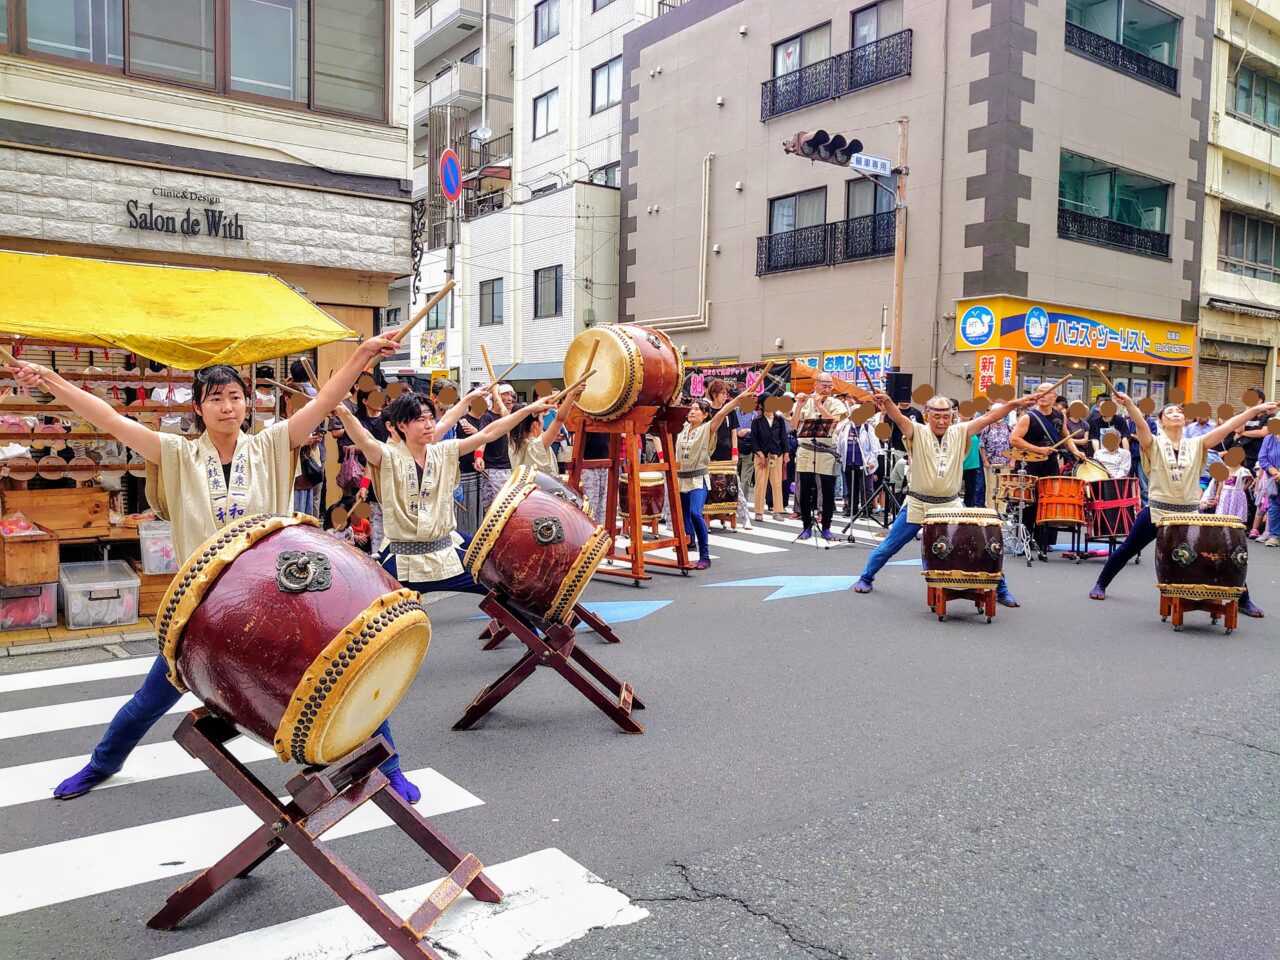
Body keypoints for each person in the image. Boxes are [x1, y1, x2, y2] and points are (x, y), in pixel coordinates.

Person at [8, 339, 434, 803]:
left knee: (343, 664)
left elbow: (327, 398)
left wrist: (361, 356)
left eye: (234, 396)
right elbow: (109, 419)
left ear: (247, 404)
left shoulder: (273, 444)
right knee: (149, 701)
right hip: (207, 609)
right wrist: (51, 380)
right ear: (198, 407)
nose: (227, 406)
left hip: (278, 598)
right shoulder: (176, 454)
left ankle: (391, 768)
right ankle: (100, 764)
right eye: (215, 398)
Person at [334, 388, 554, 599]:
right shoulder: (387, 456)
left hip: (445, 554)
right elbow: (362, 438)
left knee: (501, 586)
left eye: (431, 418)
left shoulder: (443, 451)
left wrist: (527, 409)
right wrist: (342, 410)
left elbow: (488, 432)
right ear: (400, 425)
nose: (430, 425)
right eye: (421, 420)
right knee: (382, 617)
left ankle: (539, 630)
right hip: (402, 561)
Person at [1087, 393, 1277, 614]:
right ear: (1161, 422)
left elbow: (1226, 429)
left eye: (1179, 412)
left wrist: (1253, 412)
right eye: (1169, 412)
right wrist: (1129, 404)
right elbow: (1140, 424)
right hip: (1158, 510)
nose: (1176, 414)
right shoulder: (1153, 443)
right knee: (1128, 548)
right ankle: (1101, 583)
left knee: (1218, 551)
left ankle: (1243, 599)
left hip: (1189, 513)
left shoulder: (1197, 443)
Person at [854, 391, 1036, 604]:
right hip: (918, 502)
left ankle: (1001, 590)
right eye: (936, 416)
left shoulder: (961, 431)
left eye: (946, 417)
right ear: (927, 415)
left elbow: (989, 418)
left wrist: (1014, 403)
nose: (941, 421)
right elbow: (899, 418)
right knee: (890, 545)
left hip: (950, 503)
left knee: (978, 543)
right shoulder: (917, 431)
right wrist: (886, 402)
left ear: (953, 416)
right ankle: (866, 577)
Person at [1009, 384, 1086, 560]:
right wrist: (1038, 449)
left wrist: (1075, 451)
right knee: (1029, 503)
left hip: (1050, 463)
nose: (1042, 396)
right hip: (1030, 463)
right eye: (1039, 392)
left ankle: (1044, 540)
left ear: (1055, 396)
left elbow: (1066, 436)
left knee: (1048, 501)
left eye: (1047, 393)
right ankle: (1026, 540)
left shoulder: (1060, 416)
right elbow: (1014, 439)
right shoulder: (1028, 417)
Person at [677, 391, 750, 569]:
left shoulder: (707, 429)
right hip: (681, 478)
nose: (692, 411)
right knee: (684, 515)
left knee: (695, 512)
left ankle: (705, 555)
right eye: (691, 408)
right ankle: (689, 542)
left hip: (698, 478)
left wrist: (738, 400)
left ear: (705, 415)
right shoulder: (682, 429)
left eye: (697, 409)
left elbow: (721, 413)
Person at [788, 373, 848, 540]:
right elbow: (793, 425)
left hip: (826, 451)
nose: (827, 389)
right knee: (805, 490)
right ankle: (806, 526)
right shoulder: (804, 401)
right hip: (806, 450)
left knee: (827, 491)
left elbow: (835, 422)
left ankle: (827, 527)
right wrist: (799, 406)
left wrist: (819, 405)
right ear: (815, 385)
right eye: (824, 386)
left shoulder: (835, 403)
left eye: (830, 386)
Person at [704, 378, 750, 530]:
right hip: (710, 454)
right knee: (708, 487)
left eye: (726, 393)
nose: (725, 396)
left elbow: (734, 433)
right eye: (722, 393)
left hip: (727, 453)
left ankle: (745, 518)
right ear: (714, 394)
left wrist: (735, 453)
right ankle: (707, 517)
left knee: (734, 486)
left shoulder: (729, 411)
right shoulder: (706, 410)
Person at [507, 385, 584, 476]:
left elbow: (514, 418)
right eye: (541, 418)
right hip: (540, 488)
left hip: (522, 488)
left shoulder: (513, 442)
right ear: (535, 425)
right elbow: (559, 419)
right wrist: (571, 394)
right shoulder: (536, 445)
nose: (542, 421)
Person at [751, 400, 788, 521]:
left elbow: (784, 437)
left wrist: (786, 453)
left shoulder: (779, 419)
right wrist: (760, 454)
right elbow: (754, 439)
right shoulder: (757, 420)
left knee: (777, 484)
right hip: (761, 455)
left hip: (776, 455)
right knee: (760, 484)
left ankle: (777, 510)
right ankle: (758, 512)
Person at [979, 410, 1014, 509]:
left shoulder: (1009, 428)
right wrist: (985, 460)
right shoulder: (987, 428)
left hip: (1005, 462)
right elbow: (982, 446)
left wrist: (1012, 461)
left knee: (1004, 486)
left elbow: (1014, 446)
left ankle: (1002, 510)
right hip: (991, 463)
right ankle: (990, 509)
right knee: (991, 486)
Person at [1253, 428, 1280, 547]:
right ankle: (1274, 536)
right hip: (1274, 478)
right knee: (1274, 506)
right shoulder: (1269, 438)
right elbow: (1262, 458)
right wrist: (1274, 472)